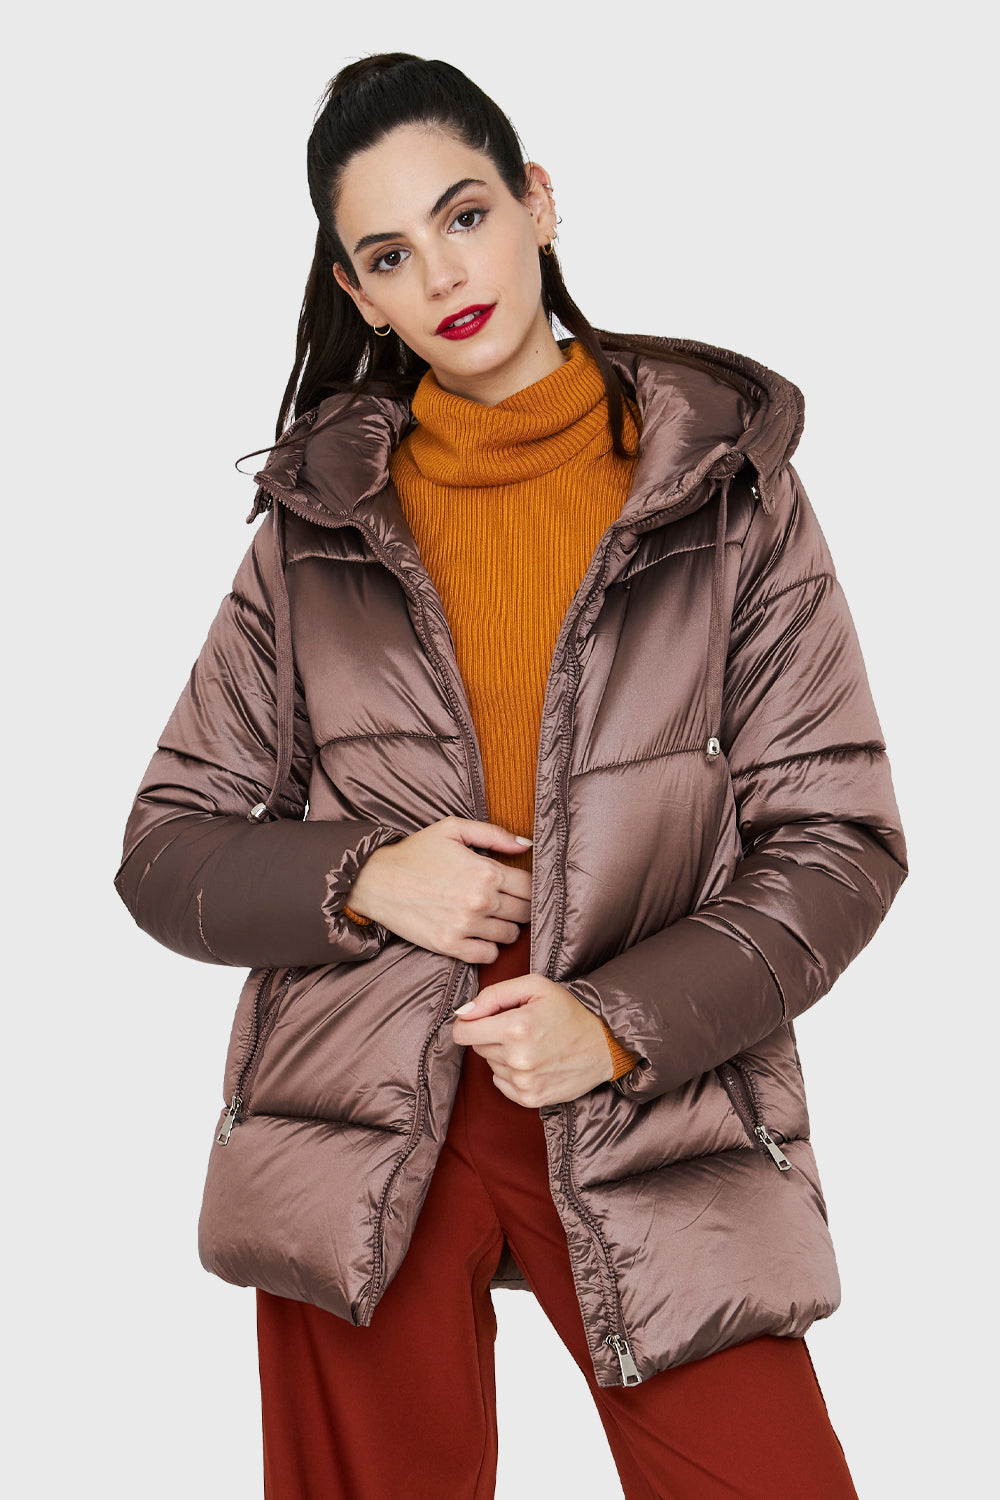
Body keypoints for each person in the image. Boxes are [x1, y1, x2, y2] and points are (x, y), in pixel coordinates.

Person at [115, 52, 907, 1500]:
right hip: (360, 1112)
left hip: (644, 1087)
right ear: (359, 295)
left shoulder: (726, 493)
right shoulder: (314, 530)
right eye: (388, 256)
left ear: (539, 202)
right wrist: (367, 878)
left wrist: (614, 1023)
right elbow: (166, 849)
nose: (443, 276)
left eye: (466, 216)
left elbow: (839, 842)